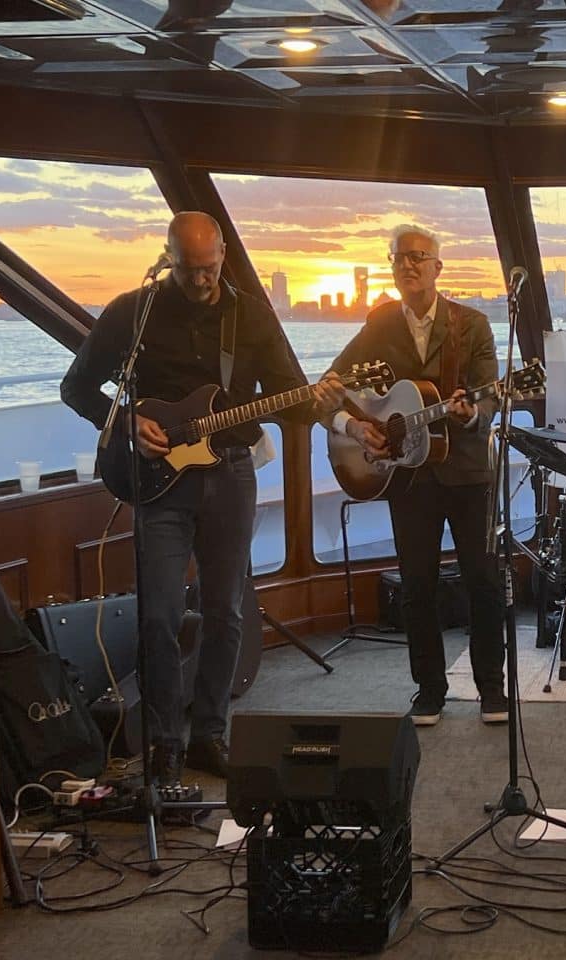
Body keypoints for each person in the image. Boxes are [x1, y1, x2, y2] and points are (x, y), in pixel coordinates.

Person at [61, 212, 345, 785]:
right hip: (157, 486)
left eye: (210, 268)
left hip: (231, 475)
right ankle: (164, 744)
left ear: (223, 257)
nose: (200, 281)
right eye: (188, 270)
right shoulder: (133, 312)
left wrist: (326, 403)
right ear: (167, 259)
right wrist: (128, 421)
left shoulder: (248, 314)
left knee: (226, 610)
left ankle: (208, 733)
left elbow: (290, 399)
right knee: (160, 615)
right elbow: (76, 387)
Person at [328, 224, 505, 728]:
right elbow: (334, 384)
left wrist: (472, 413)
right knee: (417, 584)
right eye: (400, 258)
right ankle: (429, 691)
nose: (409, 265)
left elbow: (489, 393)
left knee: (483, 580)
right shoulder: (379, 323)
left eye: (419, 257)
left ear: (437, 268)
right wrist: (359, 426)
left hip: (467, 472)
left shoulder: (472, 325)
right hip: (406, 476)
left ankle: (491, 688)